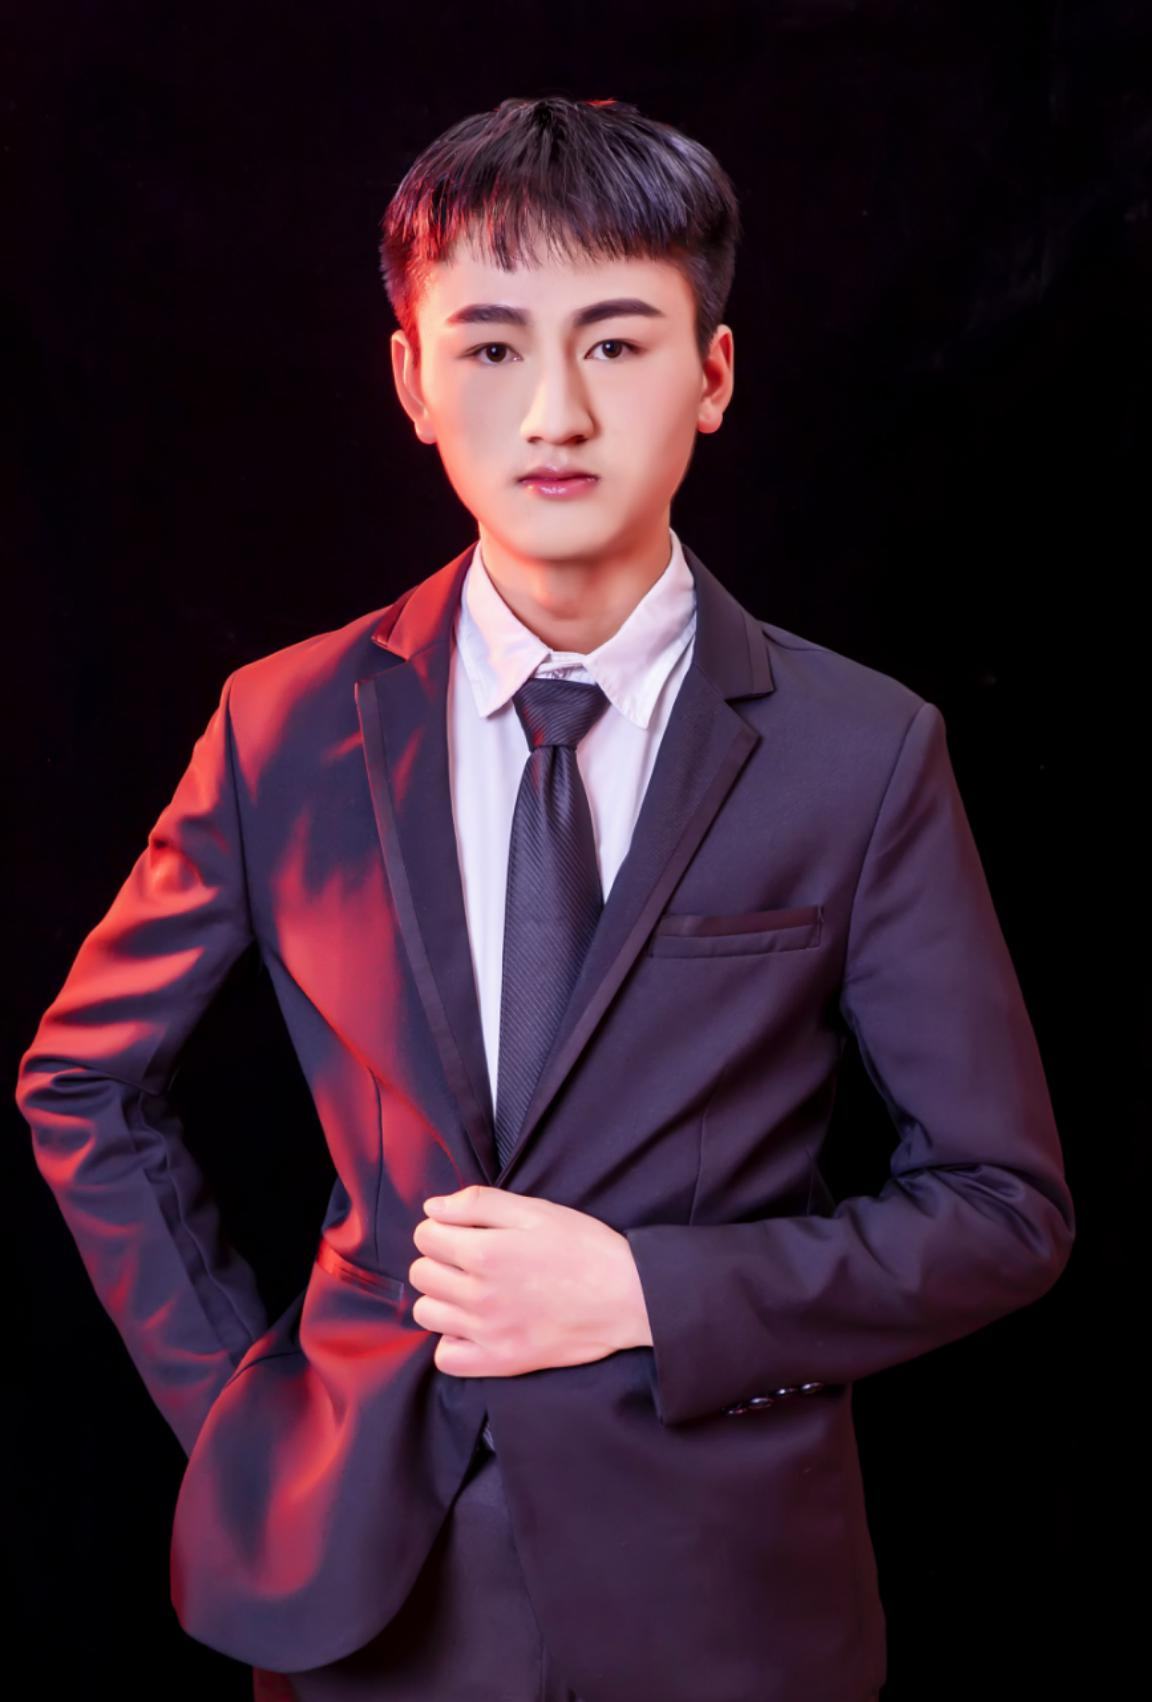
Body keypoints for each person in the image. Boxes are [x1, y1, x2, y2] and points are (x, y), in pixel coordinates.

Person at [14, 95, 1074, 1702]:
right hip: (367, 1593)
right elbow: (83, 1080)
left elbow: (1004, 1208)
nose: (557, 412)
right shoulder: (282, 724)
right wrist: (246, 1406)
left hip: (728, 1604)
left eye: (619, 343)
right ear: (411, 380)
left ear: (713, 374)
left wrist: (648, 1291)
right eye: (494, 346)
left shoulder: (865, 752)